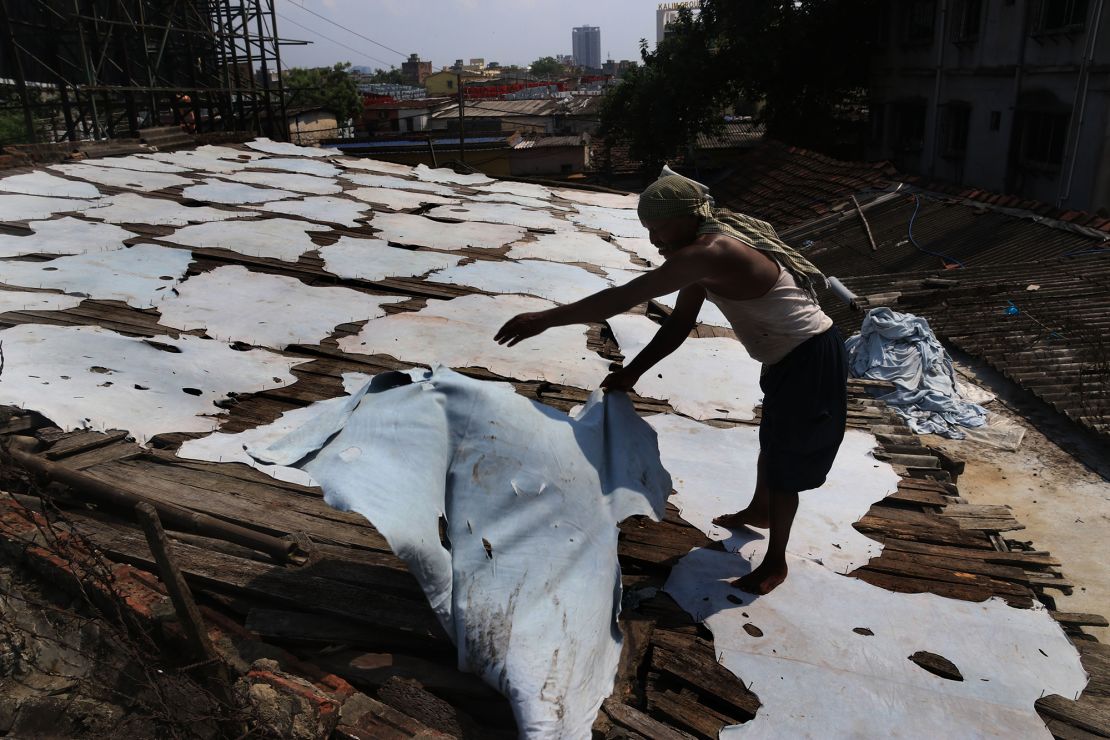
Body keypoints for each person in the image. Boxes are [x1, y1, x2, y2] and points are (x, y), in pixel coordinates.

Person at [494, 172, 848, 594]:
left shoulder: (709, 251)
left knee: (789, 460)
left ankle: (775, 561)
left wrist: (544, 318)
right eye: (647, 231)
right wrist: (633, 371)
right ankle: (760, 509)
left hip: (810, 358)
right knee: (774, 439)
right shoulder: (698, 253)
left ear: (686, 217)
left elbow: (625, 296)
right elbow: (680, 323)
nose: (654, 239)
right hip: (786, 357)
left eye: (658, 229)